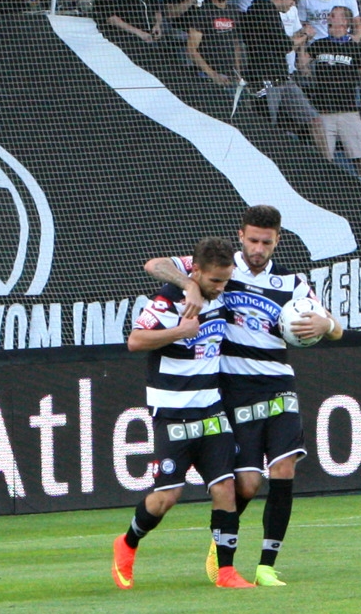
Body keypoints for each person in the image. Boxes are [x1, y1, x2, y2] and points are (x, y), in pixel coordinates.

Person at [144, 205, 344, 587]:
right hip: (235, 389)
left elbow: (336, 329)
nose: (258, 248)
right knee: (248, 484)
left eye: (266, 242)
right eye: (252, 240)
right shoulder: (221, 271)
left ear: (277, 241)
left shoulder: (293, 284)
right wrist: (188, 284)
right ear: (241, 236)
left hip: (279, 383)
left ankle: (266, 566)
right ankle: (223, 541)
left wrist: (327, 323)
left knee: (284, 468)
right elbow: (155, 264)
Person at [112, 237, 254, 590]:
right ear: (195, 271)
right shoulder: (168, 302)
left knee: (225, 488)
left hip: (211, 407)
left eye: (225, 280)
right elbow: (135, 341)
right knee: (166, 498)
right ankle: (127, 543)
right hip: (173, 413)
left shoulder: (215, 284)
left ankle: (226, 573)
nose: (221, 288)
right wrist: (180, 330)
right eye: (214, 282)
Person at [239, 0, 328, 155]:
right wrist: (305, 34)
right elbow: (284, 45)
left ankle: (328, 166)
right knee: (264, 129)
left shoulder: (271, 14)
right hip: (265, 80)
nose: (294, 3)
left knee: (314, 120)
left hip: (283, 77)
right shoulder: (263, 9)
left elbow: (279, 42)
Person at [300, 5, 361, 183]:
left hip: (348, 111)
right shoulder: (318, 44)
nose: (329, 17)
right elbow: (302, 65)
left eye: (334, 15)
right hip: (323, 112)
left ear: (344, 21)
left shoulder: (354, 47)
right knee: (324, 160)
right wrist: (305, 40)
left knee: (360, 156)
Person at [188, 0, 244, 87]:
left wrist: (238, 72)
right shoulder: (202, 13)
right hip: (207, 79)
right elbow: (191, 49)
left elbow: (236, 44)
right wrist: (213, 75)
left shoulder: (234, 11)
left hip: (231, 78)